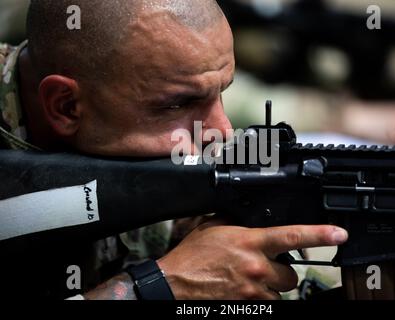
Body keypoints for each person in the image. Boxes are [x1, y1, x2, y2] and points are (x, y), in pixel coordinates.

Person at [0, 0, 348, 300]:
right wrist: (161, 287)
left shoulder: (155, 154)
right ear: (66, 107)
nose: (222, 131)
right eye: (179, 103)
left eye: (221, 91)